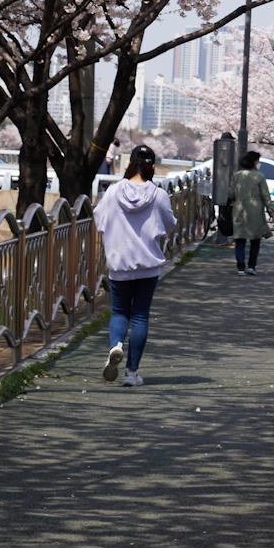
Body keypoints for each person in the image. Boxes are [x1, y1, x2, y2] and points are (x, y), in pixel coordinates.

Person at [95, 144, 177, 387]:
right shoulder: (159, 195)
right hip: (148, 265)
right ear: (152, 167)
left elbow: (99, 221)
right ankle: (132, 374)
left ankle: (116, 346)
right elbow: (170, 225)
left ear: (130, 164)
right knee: (140, 316)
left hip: (119, 263)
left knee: (119, 312)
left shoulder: (113, 192)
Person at [230, 148, 274, 273]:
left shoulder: (237, 176)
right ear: (254, 162)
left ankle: (240, 266)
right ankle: (251, 266)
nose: (259, 163)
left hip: (239, 211)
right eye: (258, 161)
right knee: (255, 240)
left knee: (240, 239)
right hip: (255, 212)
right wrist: (271, 212)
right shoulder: (259, 176)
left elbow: (231, 194)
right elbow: (266, 196)